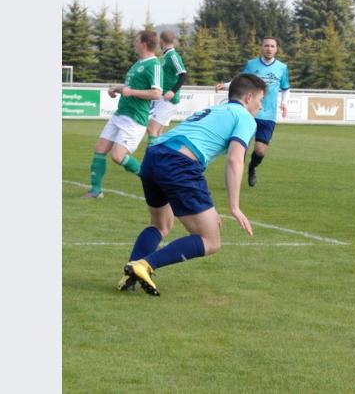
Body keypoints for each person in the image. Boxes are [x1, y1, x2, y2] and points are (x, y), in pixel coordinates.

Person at [118, 73, 266, 296]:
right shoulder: (245, 118)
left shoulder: (216, 109)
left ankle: (130, 273)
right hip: (179, 163)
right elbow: (235, 159)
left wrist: (210, 209)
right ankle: (144, 266)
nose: (260, 107)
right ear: (248, 98)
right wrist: (234, 207)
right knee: (211, 240)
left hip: (154, 155)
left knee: (160, 225)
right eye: (260, 101)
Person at [82, 30, 163, 198]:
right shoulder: (137, 64)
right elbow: (130, 88)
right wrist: (116, 89)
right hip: (121, 114)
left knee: (118, 156)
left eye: (136, 40)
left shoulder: (154, 65)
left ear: (144, 44)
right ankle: (96, 191)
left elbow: (156, 94)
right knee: (100, 149)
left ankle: (152, 180)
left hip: (135, 119)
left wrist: (131, 92)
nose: (134, 43)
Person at [215, 36, 290, 187]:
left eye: (272, 46)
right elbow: (241, 81)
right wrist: (225, 85)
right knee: (240, 148)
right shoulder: (251, 64)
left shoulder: (282, 68)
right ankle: (235, 177)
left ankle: (252, 167)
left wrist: (284, 103)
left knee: (260, 151)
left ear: (276, 49)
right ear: (261, 47)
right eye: (266, 45)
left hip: (268, 115)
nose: (269, 48)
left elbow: (286, 88)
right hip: (248, 112)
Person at [146, 30, 187, 145]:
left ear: (161, 41)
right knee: (158, 132)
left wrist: (173, 91)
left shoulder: (173, 56)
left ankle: (152, 157)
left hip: (169, 100)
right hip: (163, 99)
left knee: (151, 129)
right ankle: (164, 157)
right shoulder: (166, 56)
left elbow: (183, 75)